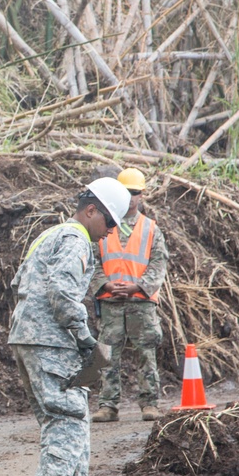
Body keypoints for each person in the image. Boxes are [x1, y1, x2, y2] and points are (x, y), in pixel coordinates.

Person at [9, 178, 131, 476]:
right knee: (67, 417)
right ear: (91, 210)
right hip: (52, 341)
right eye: (109, 223)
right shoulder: (76, 239)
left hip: (29, 337)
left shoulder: (49, 235)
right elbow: (62, 291)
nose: (110, 232)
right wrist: (84, 338)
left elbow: (19, 284)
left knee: (69, 413)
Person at [90, 168, 169, 423]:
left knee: (146, 354)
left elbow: (159, 264)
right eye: (127, 193)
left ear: (142, 195)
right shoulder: (104, 225)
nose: (132, 198)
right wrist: (106, 285)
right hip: (111, 303)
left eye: (136, 193)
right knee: (108, 355)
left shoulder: (151, 229)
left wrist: (139, 287)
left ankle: (150, 404)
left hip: (141, 303)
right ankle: (108, 405)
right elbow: (93, 262)